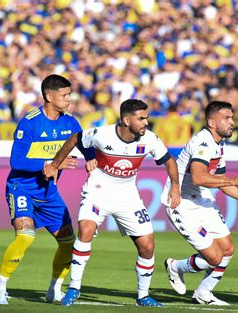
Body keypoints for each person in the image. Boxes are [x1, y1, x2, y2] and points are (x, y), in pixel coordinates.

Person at [44, 99, 181, 307]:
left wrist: (175, 186)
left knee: (147, 246)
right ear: (126, 120)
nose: (146, 122)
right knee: (85, 230)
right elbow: (76, 138)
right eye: (141, 118)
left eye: (147, 118)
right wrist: (55, 164)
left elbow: (169, 160)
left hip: (128, 197)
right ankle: (74, 288)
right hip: (98, 191)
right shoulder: (103, 134)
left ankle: (143, 296)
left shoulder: (150, 139)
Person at [0, 74, 95, 305]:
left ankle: (54, 289)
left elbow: (85, 144)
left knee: (69, 243)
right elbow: (16, 161)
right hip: (22, 188)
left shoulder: (70, 123)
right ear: (49, 96)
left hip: (49, 193)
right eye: (65, 95)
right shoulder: (30, 121)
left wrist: (91, 159)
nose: (69, 99)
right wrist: (48, 165)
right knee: (26, 236)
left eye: (70, 94)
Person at [161, 100, 238, 305]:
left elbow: (220, 181)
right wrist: (234, 179)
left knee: (227, 250)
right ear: (212, 122)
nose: (232, 122)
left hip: (202, 198)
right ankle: (175, 266)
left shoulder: (218, 143)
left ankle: (203, 293)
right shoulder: (203, 142)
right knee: (214, 258)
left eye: (232, 117)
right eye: (227, 118)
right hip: (181, 204)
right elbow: (198, 177)